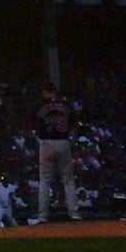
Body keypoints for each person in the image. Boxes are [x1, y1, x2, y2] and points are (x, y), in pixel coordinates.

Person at [33, 81, 81, 222]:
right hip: (64, 141)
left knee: (45, 181)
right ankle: (74, 214)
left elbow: (33, 123)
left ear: (46, 91)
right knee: (68, 181)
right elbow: (74, 123)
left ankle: (42, 216)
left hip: (46, 142)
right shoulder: (66, 105)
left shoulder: (40, 105)